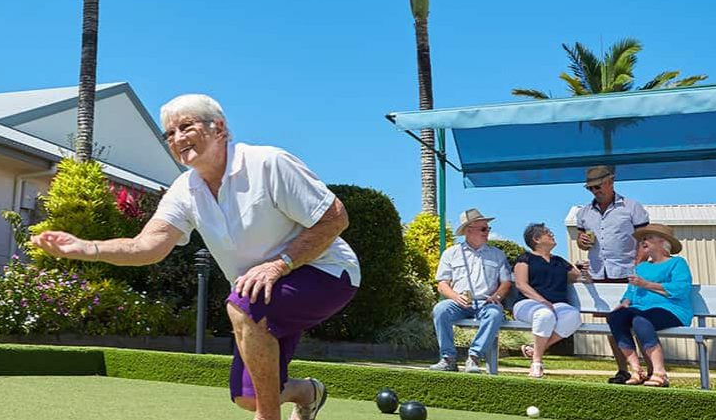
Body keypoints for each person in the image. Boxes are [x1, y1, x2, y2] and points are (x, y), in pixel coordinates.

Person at [30, 94, 359, 420]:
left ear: (219, 128)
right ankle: (308, 393)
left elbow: (335, 218)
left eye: (185, 127)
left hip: (327, 271)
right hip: (261, 291)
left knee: (240, 306)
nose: (176, 139)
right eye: (169, 134)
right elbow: (149, 246)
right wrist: (89, 248)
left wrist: (278, 265)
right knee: (247, 396)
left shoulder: (268, 163)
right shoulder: (184, 190)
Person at [575, 165, 652, 384]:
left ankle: (651, 371)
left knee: (637, 323)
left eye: (598, 186)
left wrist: (638, 268)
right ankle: (624, 371)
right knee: (613, 325)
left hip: (628, 275)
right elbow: (583, 243)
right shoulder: (583, 213)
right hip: (600, 275)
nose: (594, 191)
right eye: (590, 188)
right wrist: (581, 242)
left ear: (611, 182)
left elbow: (644, 241)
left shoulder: (632, 207)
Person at [606, 223, 692, 387]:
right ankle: (637, 370)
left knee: (640, 320)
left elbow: (681, 289)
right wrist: (624, 303)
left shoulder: (677, 263)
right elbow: (631, 290)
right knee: (615, 318)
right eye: (644, 238)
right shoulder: (642, 267)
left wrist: (647, 285)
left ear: (663, 242)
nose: (644, 241)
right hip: (641, 309)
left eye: (649, 237)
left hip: (672, 310)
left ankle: (660, 373)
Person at [428, 208, 512, 374]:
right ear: (468, 230)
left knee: (495, 314)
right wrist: (455, 296)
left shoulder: (498, 255)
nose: (487, 232)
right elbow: (442, 284)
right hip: (458, 303)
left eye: (488, 229)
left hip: (486, 302)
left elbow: (506, 282)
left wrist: (497, 296)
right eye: (483, 229)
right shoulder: (451, 253)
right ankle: (448, 359)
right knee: (440, 309)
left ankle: (473, 357)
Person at [513, 223, 585, 378]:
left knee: (574, 316)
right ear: (536, 239)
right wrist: (542, 301)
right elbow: (521, 284)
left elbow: (579, 277)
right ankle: (537, 363)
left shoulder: (560, 261)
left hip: (557, 305)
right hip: (527, 303)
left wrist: (585, 272)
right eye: (548, 232)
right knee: (545, 314)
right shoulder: (525, 258)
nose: (552, 234)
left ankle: (535, 348)